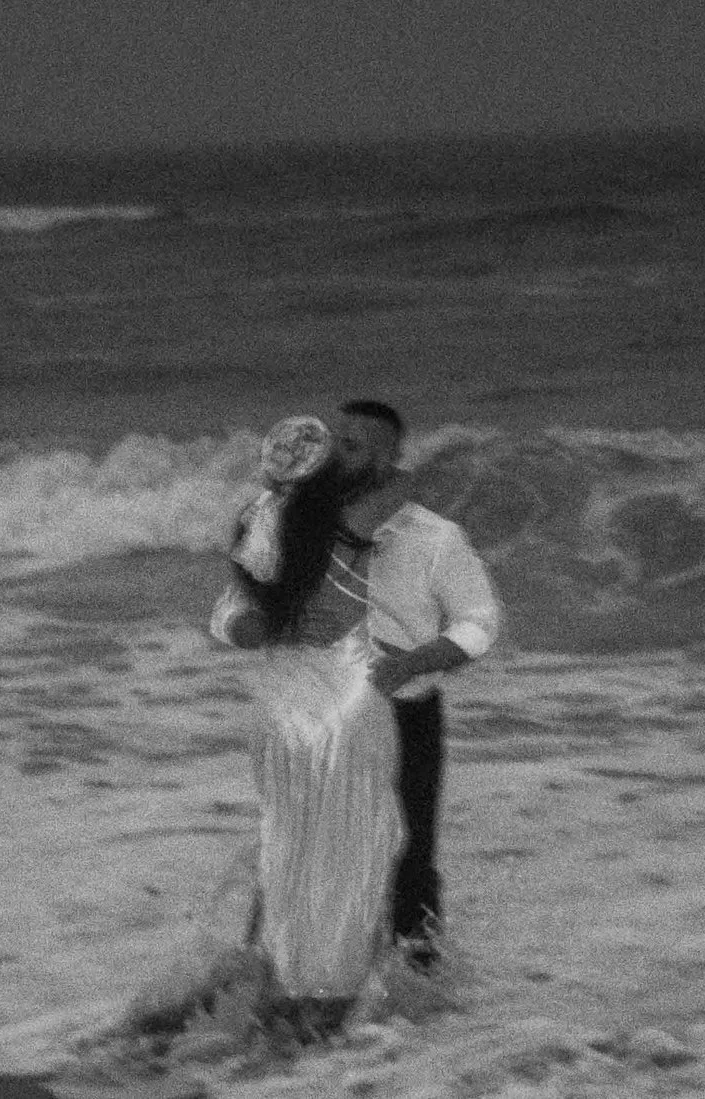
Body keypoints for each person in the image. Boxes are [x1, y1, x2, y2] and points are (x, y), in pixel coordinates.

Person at [210, 399, 502, 986]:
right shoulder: (289, 524)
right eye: (332, 440)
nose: (333, 453)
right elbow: (230, 611)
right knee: (292, 845)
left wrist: (416, 661)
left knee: (409, 853)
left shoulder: (434, 537)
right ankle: (267, 976)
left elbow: (479, 622)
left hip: (403, 709)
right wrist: (253, 629)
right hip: (310, 709)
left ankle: (414, 988)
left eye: (354, 445)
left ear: (391, 459)